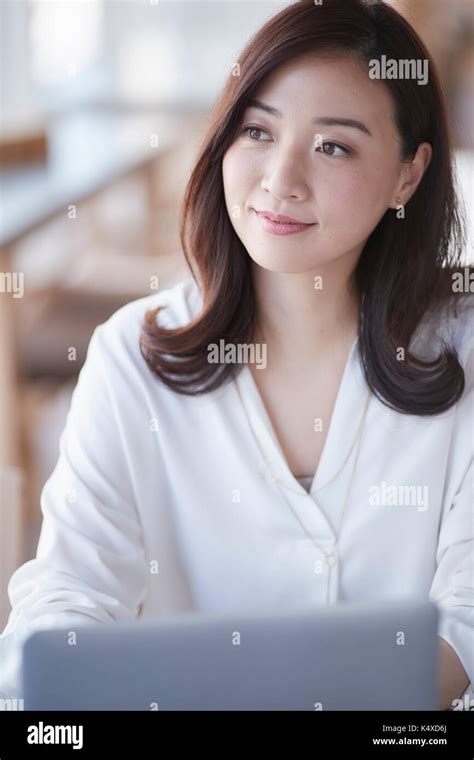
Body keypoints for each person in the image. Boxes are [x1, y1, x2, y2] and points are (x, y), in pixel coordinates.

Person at [1, 0, 472, 710]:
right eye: (258, 130)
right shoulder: (131, 356)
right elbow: (66, 598)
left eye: (333, 145)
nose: (280, 180)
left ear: (408, 175)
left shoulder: (465, 346)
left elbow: (468, 622)